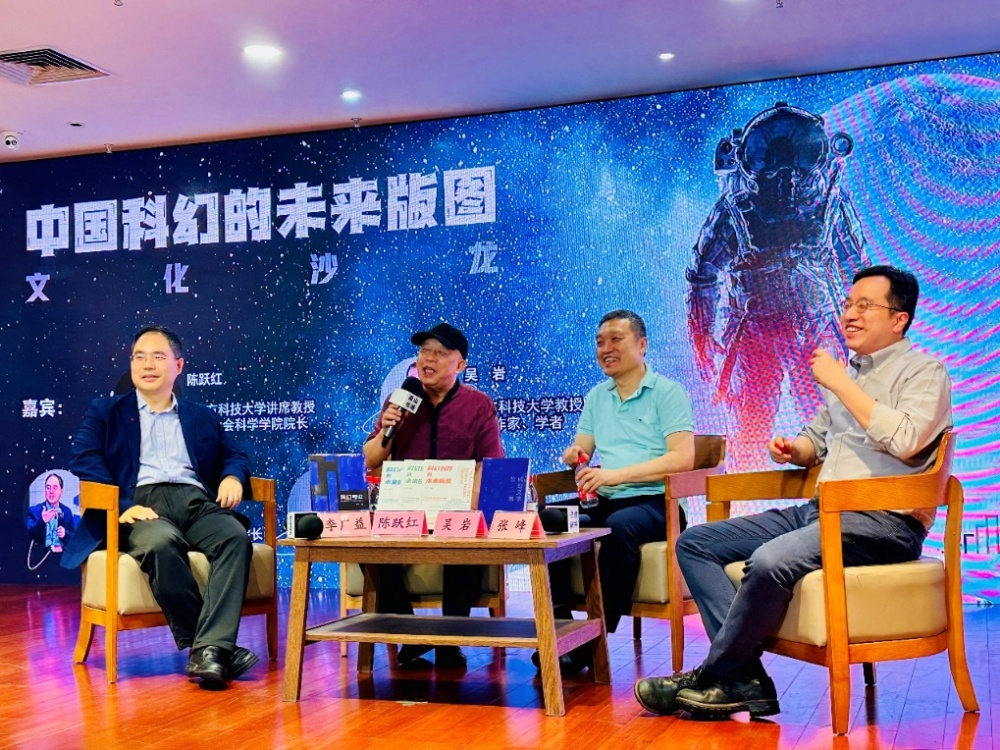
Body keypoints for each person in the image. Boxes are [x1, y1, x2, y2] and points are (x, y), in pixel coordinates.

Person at [634, 265, 951, 719]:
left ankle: (711, 675)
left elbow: (906, 439)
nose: (849, 315)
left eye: (864, 306)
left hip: (884, 521)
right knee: (696, 543)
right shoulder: (852, 375)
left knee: (768, 561)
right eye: (848, 304)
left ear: (899, 319)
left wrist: (840, 383)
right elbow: (818, 439)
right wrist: (794, 449)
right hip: (821, 511)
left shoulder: (923, 372)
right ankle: (744, 678)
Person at [61, 325, 259, 689]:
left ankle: (209, 649)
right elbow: (84, 458)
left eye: (157, 356)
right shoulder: (106, 411)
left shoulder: (202, 416)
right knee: (161, 542)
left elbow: (235, 455)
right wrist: (122, 505)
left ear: (178, 365)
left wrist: (233, 476)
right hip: (141, 506)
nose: (147, 365)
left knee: (234, 537)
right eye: (139, 357)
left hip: (196, 503)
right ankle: (215, 649)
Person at [543, 309, 695, 673]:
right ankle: (562, 629)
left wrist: (615, 475)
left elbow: (683, 457)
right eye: (600, 342)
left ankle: (593, 641)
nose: (606, 349)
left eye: (616, 340)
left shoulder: (667, 392)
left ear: (642, 345)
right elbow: (582, 448)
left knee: (621, 527)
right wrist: (573, 454)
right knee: (547, 520)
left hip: (657, 503)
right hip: (607, 500)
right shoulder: (597, 396)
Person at [363, 322, 504, 669]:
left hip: (455, 507)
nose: (428, 360)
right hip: (405, 508)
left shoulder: (478, 405)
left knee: (466, 531)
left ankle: (449, 641)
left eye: (440, 353)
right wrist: (388, 429)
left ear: (461, 365)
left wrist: (469, 510)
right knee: (363, 539)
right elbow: (370, 459)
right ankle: (413, 635)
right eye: (424, 351)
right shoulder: (399, 401)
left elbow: (490, 466)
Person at [26, 473, 77, 553]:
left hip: (61, 556)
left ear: (61, 491)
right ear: (45, 490)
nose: (51, 491)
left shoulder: (67, 512)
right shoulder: (33, 511)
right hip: (41, 557)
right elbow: (28, 535)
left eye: (55, 488)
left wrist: (65, 534)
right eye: (48, 487)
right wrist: (42, 521)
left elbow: (74, 538)